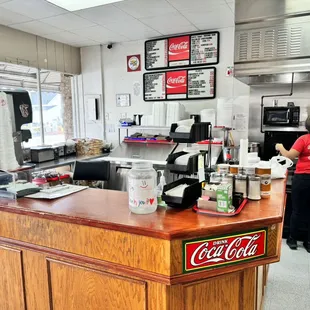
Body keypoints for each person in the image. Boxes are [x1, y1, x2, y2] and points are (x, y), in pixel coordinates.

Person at [276, 116, 310, 253]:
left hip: (302, 178)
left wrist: (280, 147)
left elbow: (289, 156)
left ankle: (293, 239)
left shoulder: (303, 139)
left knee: (297, 209)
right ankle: (308, 242)